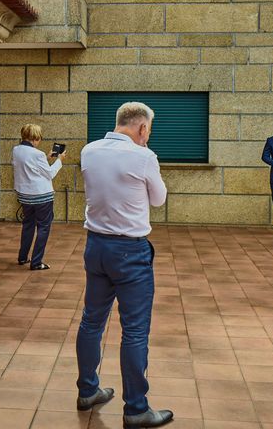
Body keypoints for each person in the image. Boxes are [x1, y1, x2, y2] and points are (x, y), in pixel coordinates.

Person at [76, 102, 172, 429]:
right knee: (134, 331)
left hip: (96, 247)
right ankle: (136, 409)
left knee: (92, 322)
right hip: (130, 251)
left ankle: (88, 390)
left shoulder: (89, 151)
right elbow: (159, 199)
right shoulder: (143, 156)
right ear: (142, 128)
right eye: (149, 130)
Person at [11, 123, 66, 271]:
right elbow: (49, 174)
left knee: (28, 225)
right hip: (42, 196)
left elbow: (32, 167)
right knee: (43, 228)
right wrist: (59, 160)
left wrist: (47, 158)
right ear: (35, 138)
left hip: (25, 195)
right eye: (39, 138)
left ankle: (23, 257)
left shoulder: (16, 150)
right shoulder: (37, 154)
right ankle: (36, 262)